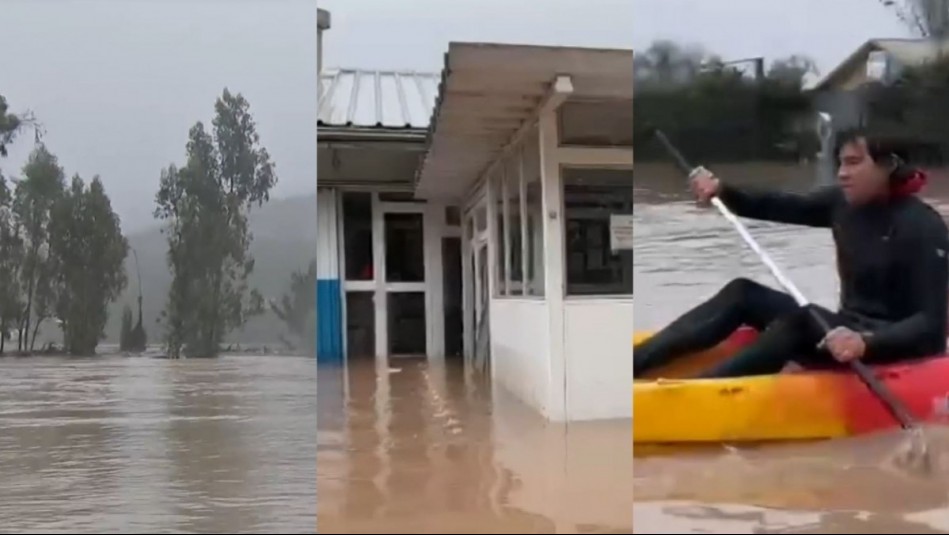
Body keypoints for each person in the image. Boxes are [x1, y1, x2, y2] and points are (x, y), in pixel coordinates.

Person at [634, 129, 949, 379]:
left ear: (889, 166)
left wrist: (866, 343)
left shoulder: (924, 227)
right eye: (840, 162)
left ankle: (698, 393)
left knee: (800, 321)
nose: (841, 173)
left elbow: (931, 325)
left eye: (853, 162)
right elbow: (777, 204)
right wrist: (723, 191)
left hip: (893, 346)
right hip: (844, 329)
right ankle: (631, 367)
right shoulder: (841, 205)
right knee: (744, 293)